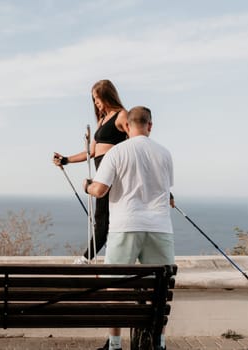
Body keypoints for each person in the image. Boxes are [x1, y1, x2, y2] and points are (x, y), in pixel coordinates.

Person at [83, 106, 174, 350]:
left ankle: (114, 344)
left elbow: (100, 190)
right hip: (160, 227)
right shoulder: (165, 154)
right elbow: (167, 193)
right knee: (159, 290)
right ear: (150, 125)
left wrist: (87, 187)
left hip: (125, 226)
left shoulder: (117, 152)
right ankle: (159, 342)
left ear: (126, 126)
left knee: (115, 286)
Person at [53, 79, 128, 263]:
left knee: (103, 217)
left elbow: (134, 144)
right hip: (101, 170)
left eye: (97, 98)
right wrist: (66, 160)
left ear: (107, 96)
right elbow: (92, 152)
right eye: (94, 100)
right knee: (103, 216)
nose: (96, 103)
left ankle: (86, 259)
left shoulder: (122, 115)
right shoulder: (102, 120)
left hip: (114, 172)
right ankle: (111, 256)